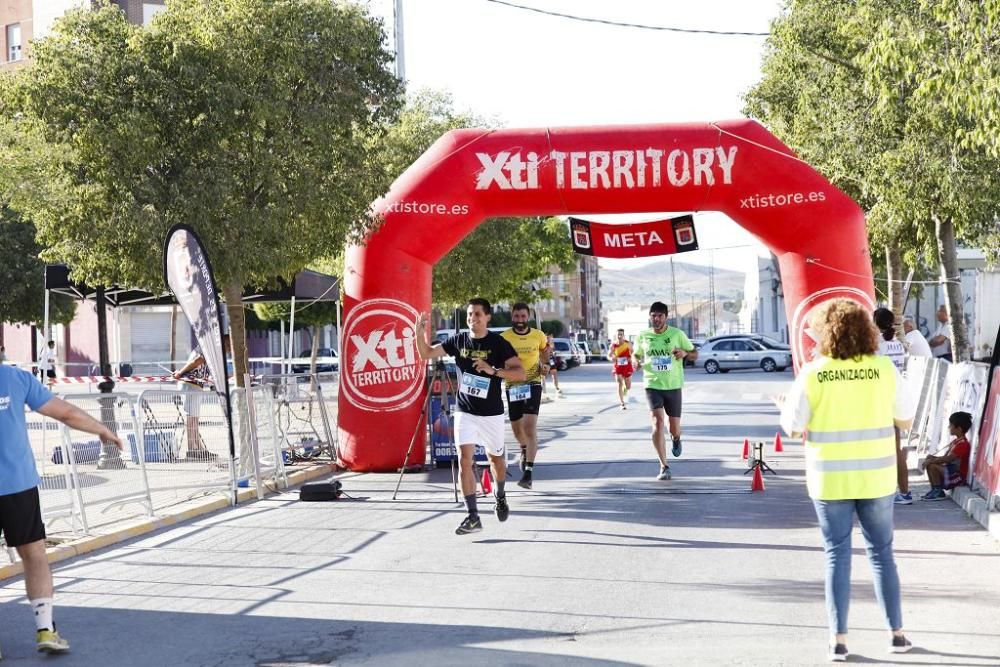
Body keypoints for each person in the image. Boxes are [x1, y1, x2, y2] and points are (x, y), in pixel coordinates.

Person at [777, 298, 916, 662]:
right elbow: (905, 420)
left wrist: (782, 406)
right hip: (876, 477)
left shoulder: (813, 373)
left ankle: (838, 641)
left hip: (830, 480)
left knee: (837, 555)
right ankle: (897, 635)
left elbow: (792, 428)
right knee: (882, 554)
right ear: (866, 330)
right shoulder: (883, 369)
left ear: (826, 333)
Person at [1, 363, 124, 654]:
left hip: (19, 484)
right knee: (34, 555)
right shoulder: (15, 378)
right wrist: (102, 429)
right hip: (17, 485)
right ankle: (45, 630)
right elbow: (66, 413)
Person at [416, 298, 525, 534]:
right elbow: (426, 353)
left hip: (492, 413)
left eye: (477, 314)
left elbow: (520, 373)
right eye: (469, 314)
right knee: (464, 459)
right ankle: (473, 515)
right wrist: (418, 332)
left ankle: (500, 494)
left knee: (496, 459)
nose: (472, 318)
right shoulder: (458, 341)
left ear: (487, 317)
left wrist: (493, 370)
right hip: (465, 411)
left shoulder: (498, 343)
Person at [632, 301, 697, 480]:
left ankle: (676, 439)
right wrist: (635, 361)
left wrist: (684, 354)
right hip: (652, 384)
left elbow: (695, 353)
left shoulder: (677, 334)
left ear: (666, 317)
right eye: (654, 315)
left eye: (660, 316)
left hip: (673, 385)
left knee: (674, 427)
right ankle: (664, 465)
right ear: (650, 317)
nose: (657, 319)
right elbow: (636, 354)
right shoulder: (643, 336)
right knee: (657, 422)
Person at [500, 303, 549, 490]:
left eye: (523, 316)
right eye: (516, 316)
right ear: (512, 317)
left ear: (527, 317)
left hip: (533, 383)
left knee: (529, 428)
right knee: (517, 430)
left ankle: (528, 472)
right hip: (513, 385)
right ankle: (523, 449)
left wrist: (545, 365)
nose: (520, 320)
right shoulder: (504, 337)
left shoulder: (538, 335)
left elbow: (545, 355)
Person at [873, 308, 911, 505]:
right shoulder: (897, 344)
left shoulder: (877, 346)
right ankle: (904, 492)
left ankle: (882, 491)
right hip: (897, 400)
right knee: (895, 449)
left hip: (881, 401)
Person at [171, 336, 228, 460]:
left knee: (194, 419)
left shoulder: (212, 350)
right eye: (228, 345)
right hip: (189, 384)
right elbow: (198, 361)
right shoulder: (208, 347)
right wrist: (180, 373)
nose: (229, 350)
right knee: (191, 419)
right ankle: (192, 449)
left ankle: (198, 449)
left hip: (195, 385)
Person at [921, 411, 973, 501]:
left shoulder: (963, 444)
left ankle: (938, 491)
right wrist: (932, 458)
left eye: (951, 425)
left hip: (958, 477)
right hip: (951, 472)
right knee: (931, 463)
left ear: (959, 429)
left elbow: (948, 459)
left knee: (932, 465)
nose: (949, 427)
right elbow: (944, 458)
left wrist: (931, 461)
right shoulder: (955, 442)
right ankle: (935, 489)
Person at [608, 328, 634, 409]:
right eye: (618, 334)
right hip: (618, 367)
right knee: (619, 383)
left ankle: (625, 389)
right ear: (616, 335)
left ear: (623, 335)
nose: (619, 336)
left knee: (628, 386)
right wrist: (611, 358)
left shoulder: (628, 344)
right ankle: (622, 403)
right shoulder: (613, 345)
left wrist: (631, 358)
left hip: (627, 366)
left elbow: (633, 353)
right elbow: (609, 355)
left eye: (621, 334)